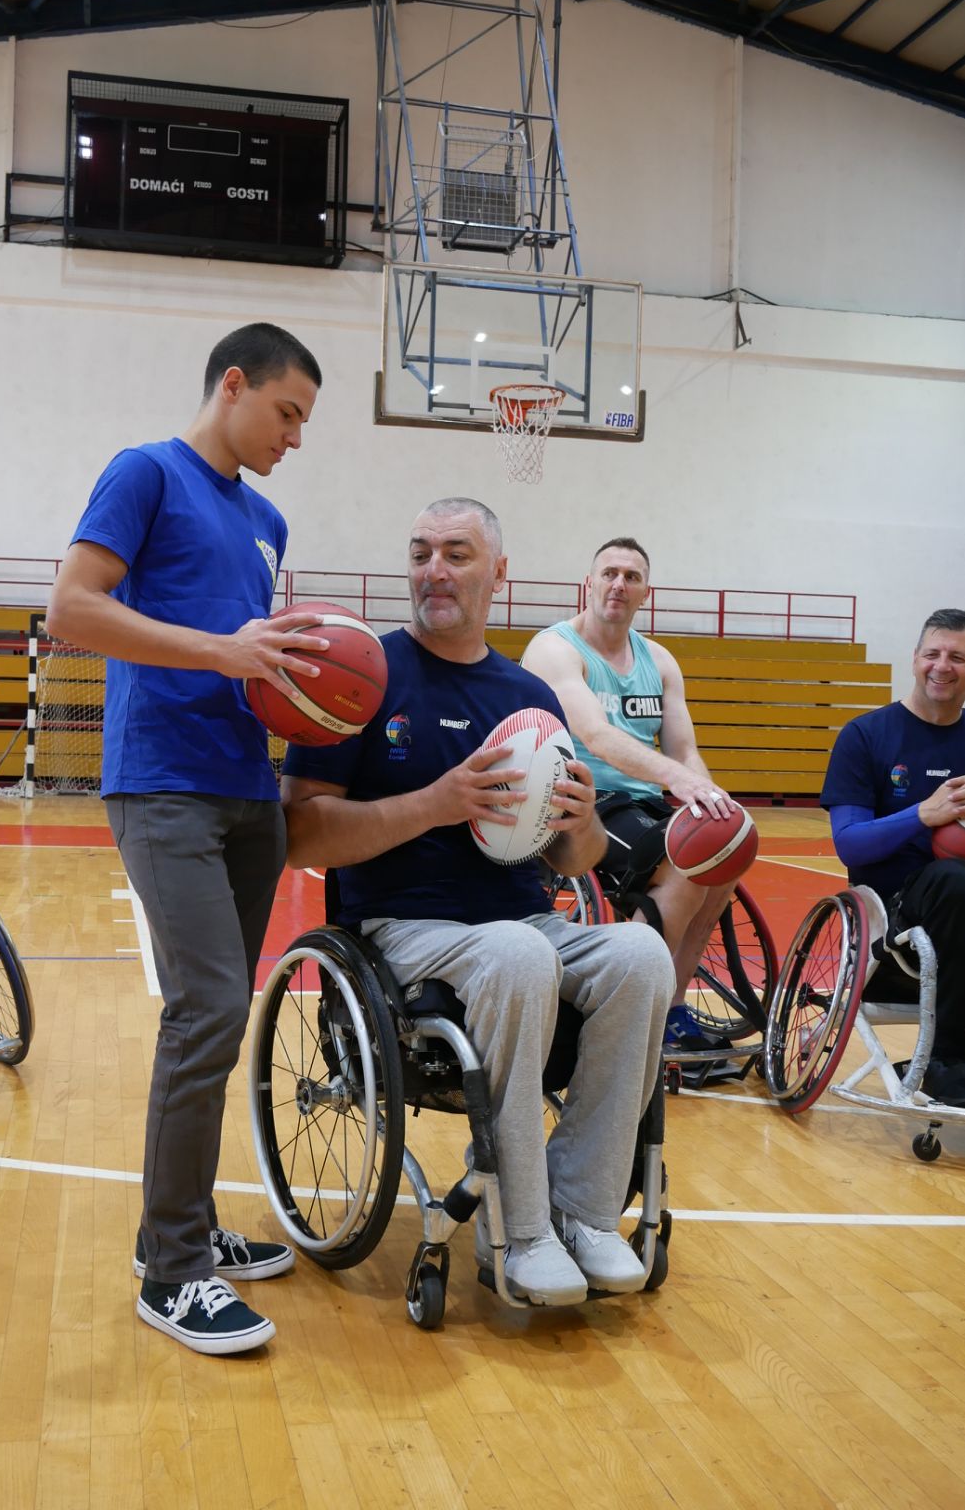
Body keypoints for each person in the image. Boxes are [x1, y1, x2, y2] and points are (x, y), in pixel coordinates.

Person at [282, 499, 673, 1307]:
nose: (433, 570)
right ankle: (519, 1229)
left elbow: (571, 860)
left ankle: (583, 1209)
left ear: (498, 571)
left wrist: (581, 821)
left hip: (520, 919)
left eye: (455, 554)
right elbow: (301, 834)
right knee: (517, 952)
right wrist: (436, 803)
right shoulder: (363, 675)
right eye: (419, 552)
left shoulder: (526, 695)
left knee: (641, 954)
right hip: (399, 928)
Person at [47, 322, 325, 1357]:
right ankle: (171, 1268)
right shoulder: (146, 473)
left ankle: (187, 1223)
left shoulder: (267, 519)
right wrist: (220, 651)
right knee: (203, 1009)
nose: (295, 436)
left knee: (221, 1014)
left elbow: (253, 660)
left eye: (305, 421)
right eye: (286, 411)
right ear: (233, 384)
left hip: (247, 788)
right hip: (162, 782)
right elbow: (72, 609)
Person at [521, 537, 747, 1070]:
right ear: (589, 583)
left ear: (647, 592)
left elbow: (684, 750)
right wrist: (677, 779)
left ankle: (670, 1005)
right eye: (609, 573)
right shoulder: (555, 649)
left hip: (641, 801)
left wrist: (713, 801)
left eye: (631, 577)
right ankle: (626, 1000)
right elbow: (596, 736)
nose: (619, 584)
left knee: (725, 856)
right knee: (687, 866)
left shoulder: (659, 660)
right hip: (578, 800)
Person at [822, 607, 965, 1104]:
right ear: (915, 659)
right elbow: (850, 842)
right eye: (933, 654)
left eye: (957, 657)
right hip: (894, 914)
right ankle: (948, 1063)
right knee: (952, 880)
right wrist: (922, 814)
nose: (942, 666)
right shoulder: (866, 735)